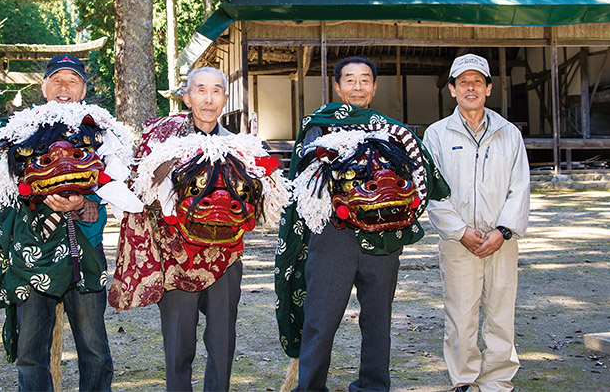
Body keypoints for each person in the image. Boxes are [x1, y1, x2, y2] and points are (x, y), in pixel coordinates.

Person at [275, 57, 449, 392]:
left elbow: (420, 173)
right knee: (320, 320)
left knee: (377, 320)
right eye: (350, 80)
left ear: (374, 86)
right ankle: (309, 386)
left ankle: (373, 386)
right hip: (333, 237)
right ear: (337, 87)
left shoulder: (391, 129)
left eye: (365, 79)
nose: (358, 87)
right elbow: (305, 175)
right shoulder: (319, 124)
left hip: (383, 236)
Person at [110, 67, 290, 391]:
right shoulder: (165, 141)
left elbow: (263, 203)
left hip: (227, 257)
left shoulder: (240, 147)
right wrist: (169, 162)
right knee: (179, 346)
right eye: (201, 90)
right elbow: (142, 189)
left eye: (216, 91)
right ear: (188, 96)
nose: (209, 98)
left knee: (222, 343)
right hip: (176, 259)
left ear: (224, 97)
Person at [0, 54, 136, 392]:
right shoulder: (17, 130)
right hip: (32, 253)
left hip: (83, 251)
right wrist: (34, 194)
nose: (63, 87)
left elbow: (120, 184)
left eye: (71, 81)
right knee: (31, 352)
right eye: (56, 80)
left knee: (95, 350)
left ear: (83, 89)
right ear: (43, 86)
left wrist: (84, 201)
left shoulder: (101, 130)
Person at [423, 54, 530, 392]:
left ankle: (497, 380)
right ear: (452, 89)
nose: (471, 87)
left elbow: (520, 186)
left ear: (488, 88)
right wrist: (460, 232)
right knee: (461, 314)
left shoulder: (508, 133)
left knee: (500, 312)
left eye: (477, 81)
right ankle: (465, 381)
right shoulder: (437, 135)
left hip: (501, 239)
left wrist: (503, 231)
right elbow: (433, 191)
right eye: (463, 82)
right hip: (459, 241)